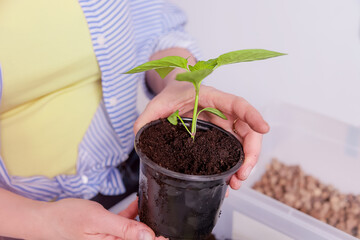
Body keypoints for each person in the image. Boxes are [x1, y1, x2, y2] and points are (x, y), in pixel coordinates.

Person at [0, 0, 269, 239]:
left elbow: (153, 33)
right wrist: (43, 222)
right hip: (19, 216)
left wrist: (181, 85)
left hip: (129, 176)